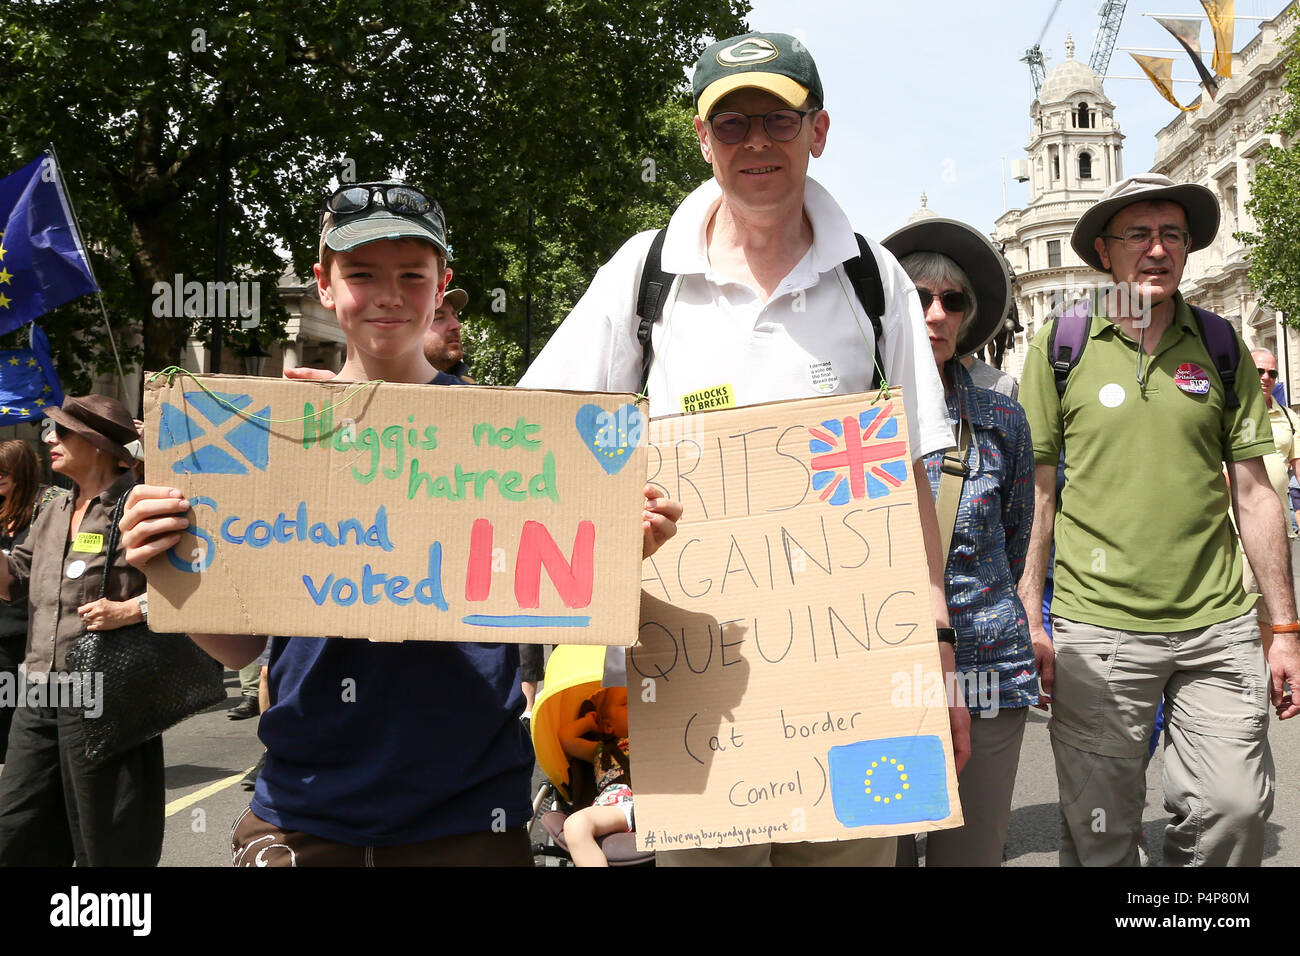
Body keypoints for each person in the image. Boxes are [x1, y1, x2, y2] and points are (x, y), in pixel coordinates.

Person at [119, 182, 682, 865]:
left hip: (469, 809)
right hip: (306, 807)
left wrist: (626, 546)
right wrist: (167, 562)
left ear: (442, 286)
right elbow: (240, 649)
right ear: (324, 285)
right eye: (360, 274)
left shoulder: (519, 438)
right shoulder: (265, 436)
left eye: (412, 276)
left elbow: (568, 608)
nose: (388, 295)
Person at [519, 31, 970, 866]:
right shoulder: (642, 274)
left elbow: (910, 480)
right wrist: (364, 414)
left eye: (777, 118)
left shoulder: (876, 282)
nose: (755, 142)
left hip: (856, 682)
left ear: (818, 130)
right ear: (701, 138)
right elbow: (539, 435)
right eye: (732, 125)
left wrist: (937, 656)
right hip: (690, 685)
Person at [1018, 173, 1300, 866]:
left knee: (1234, 812)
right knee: (1101, 831)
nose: (1157, 249)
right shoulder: (1061, 346)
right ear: (1104, 254)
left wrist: (1284, 626)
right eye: (1138, 235)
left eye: (1172, 234)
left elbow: (1256, 493)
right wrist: (1031, 611)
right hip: (1096, 629)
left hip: (1217, 627)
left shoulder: (1222, 345)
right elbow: (1038, 495)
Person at [883, 218, 1036, 866]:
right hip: (878, 678)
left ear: (970, 317)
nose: (936, 313)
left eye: (953, 301)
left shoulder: (1004, 418)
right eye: (918, 298)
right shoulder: (848, 422)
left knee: (970, 857)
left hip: (987, 674)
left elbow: (1016, 533)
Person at [0, 395, 160, 866]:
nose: (51, 439)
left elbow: (197, 586)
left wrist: (130, 609)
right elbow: (15, 579)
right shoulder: (53, 508)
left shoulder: (142, 504)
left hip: (108, 693)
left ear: (99, 445)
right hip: (37, 689)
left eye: (63, 432)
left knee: (106, 834)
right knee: (16, 825)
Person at [0, 440, 65, 763]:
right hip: (3, 628)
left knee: (25, 717)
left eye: (3, 473)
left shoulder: (50, 505)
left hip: (33, 631)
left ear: (21, 473)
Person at [559, 686, 631, 867]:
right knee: (575, 825)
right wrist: (589, 722)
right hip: (616, 805)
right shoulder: (599, 750)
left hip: (646, 801)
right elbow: (566, 738)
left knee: (576, 824)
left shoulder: (656, 738)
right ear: (608, 725)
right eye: (627, 703)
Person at [424, 287, 474, 382]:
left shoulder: (470, 387)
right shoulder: (390, 388)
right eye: (439, 318)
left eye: (455, 317)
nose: (457, 325)